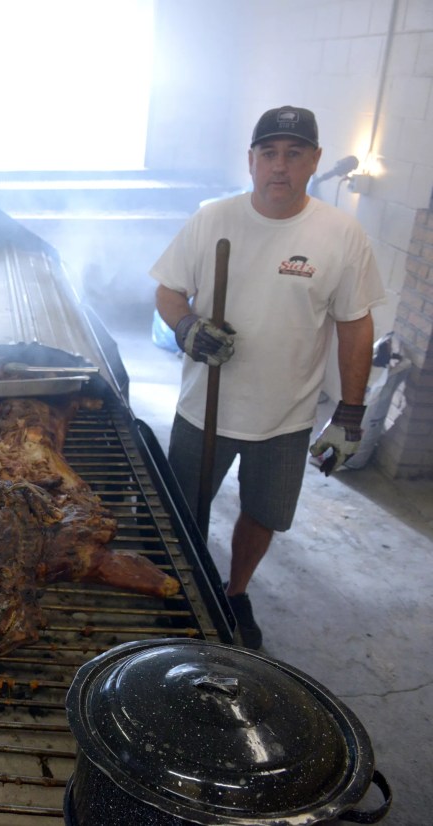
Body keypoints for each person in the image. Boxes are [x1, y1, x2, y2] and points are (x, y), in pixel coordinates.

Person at [151, 105, 385, 650]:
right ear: (252, 161)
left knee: (264, 514)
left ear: (314, 161)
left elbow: (355, 324)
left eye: (294, 154)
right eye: (269, 154)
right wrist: (188, 327)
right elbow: (167, 290)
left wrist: (350, 413)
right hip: (202, 408)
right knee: (183, 510)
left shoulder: (341, 235)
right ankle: (183, 588)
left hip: (287, 417)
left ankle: (235, 591)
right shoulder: (214, 220)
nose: (280, 166)